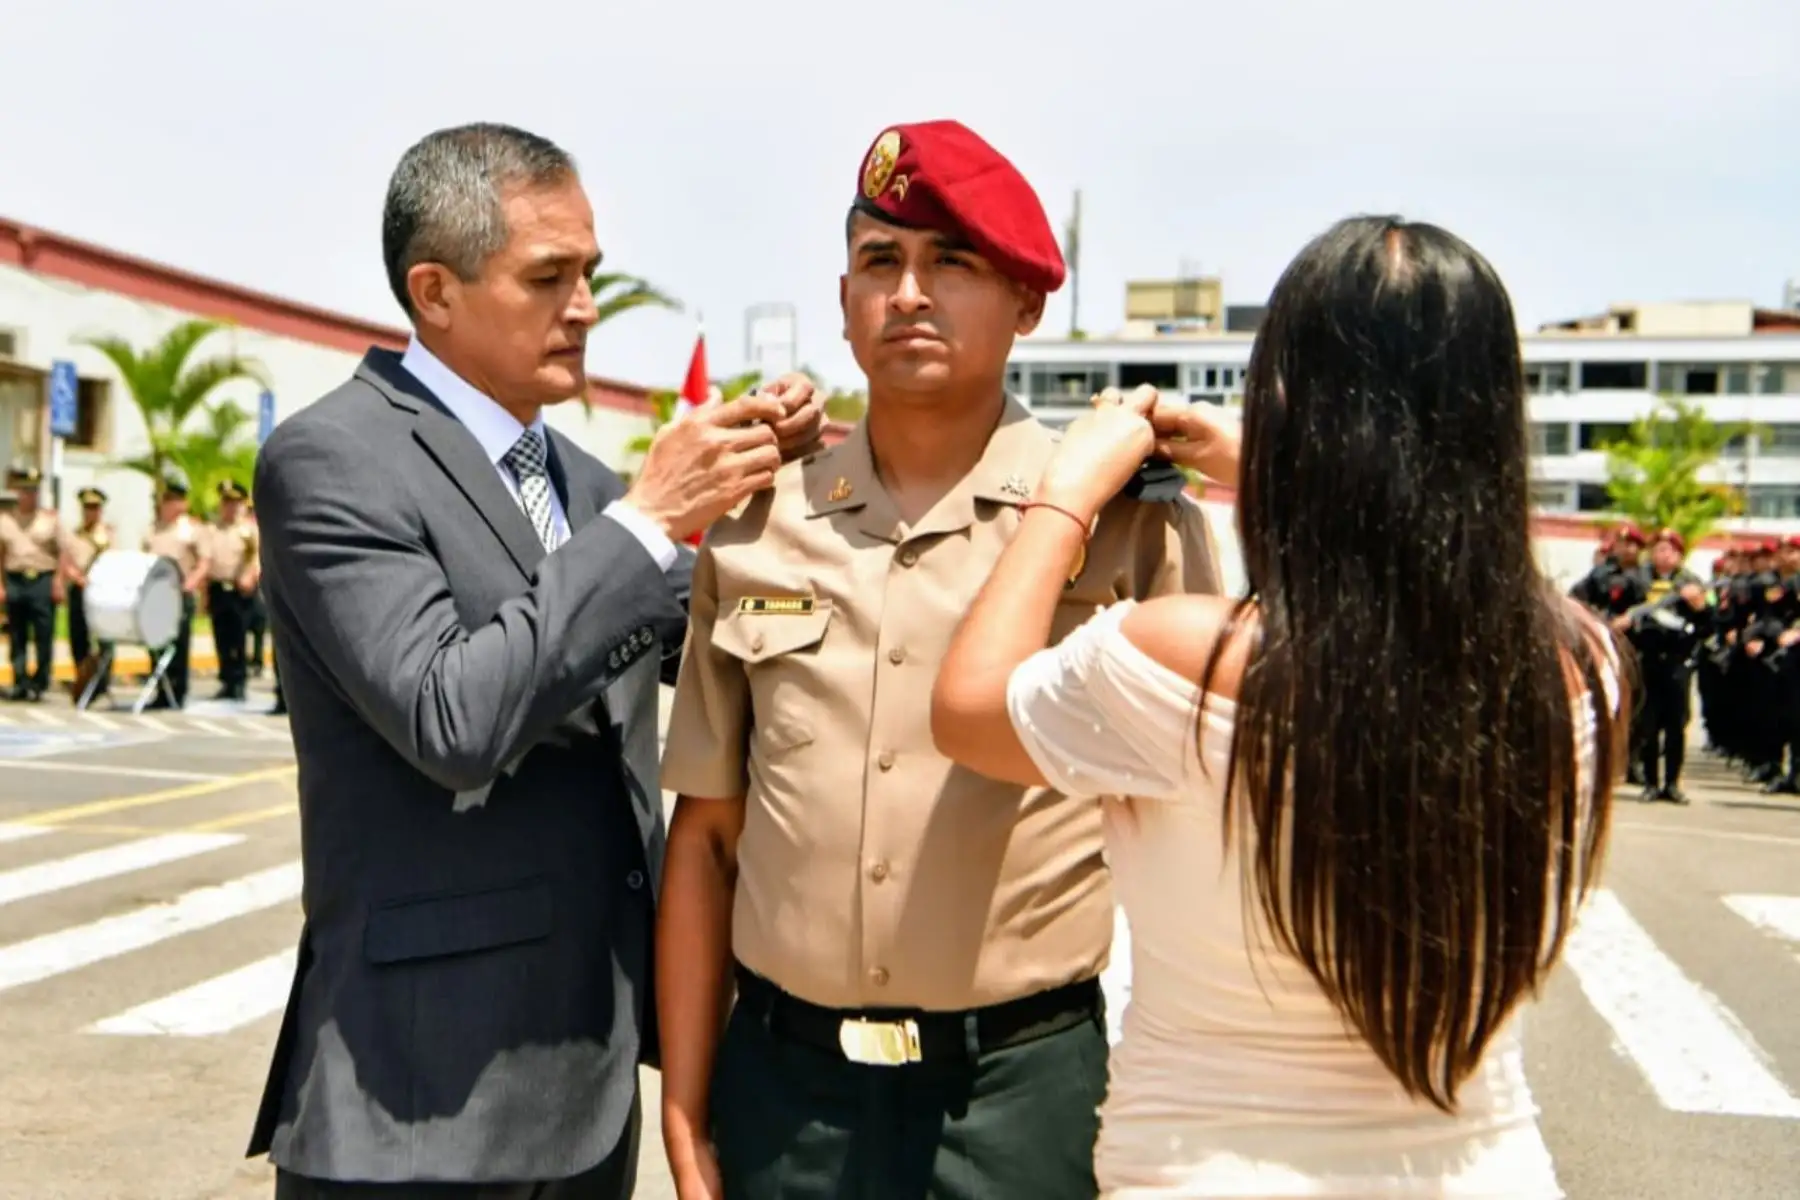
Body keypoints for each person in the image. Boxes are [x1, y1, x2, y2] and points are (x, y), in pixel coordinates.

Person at [930, 215, 1625, 1198]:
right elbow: (1425, 563)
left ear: (1286, 405)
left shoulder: (1179, 659)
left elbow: (967, 708)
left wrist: (1064, 498)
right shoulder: (1585, 666)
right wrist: (1279, 459)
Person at [244, 122, 824, 1199]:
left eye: (590, 273)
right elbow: (449, 717)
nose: (586, 306)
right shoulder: (333, 460)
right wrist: (648, 524)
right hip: (420, 1096)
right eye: (548, 277)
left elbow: (730, 665)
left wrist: (786, 493)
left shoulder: (589, 487)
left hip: (588, 1085)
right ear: (435, 291)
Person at [655, 119, 1222, 1200]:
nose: (908, 293)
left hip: (1019, 1097)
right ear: (844, 301)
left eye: (951, 262)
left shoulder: (1125, 523)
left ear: (1028, 302)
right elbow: (708, 837)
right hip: (787, 1097)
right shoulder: (760, 526)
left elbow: (1206, 832)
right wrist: (685, 1117)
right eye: (882, 261)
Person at [0, 465, 67, 701]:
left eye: (33, 491)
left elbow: (62, 553)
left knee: (43, 633)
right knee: (17, 633)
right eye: (25, 491)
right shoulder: (6, 520)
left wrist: (58, 581)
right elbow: (1, 553)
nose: (29, 495)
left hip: (41, 579)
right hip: (15, 579)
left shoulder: (50, 520)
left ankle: (40, 682)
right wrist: (1, 585)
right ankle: (20, 681)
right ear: (18, 493)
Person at [142, 473, 209, 708]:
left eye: (178, 500)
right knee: (156, 642)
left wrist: (192, 582)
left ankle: (178, 691)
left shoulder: (191, 529)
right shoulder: (153, 529)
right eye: (169, 500)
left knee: (179, 644)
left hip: (180, 592)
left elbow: (204, 562)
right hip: (155, 593)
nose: (173, 505)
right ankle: (161, 690)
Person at [204, 478, 260, 700]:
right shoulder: (213, 529)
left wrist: (250, 576)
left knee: (239, 637)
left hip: (240, 590)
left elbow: (258, 557)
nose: (230, 507)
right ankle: (226, 680)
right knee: (221, 637)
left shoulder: (249, 530)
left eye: (235, 503)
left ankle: (239, 681)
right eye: (226, 502)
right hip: (218, 588)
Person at [62, 486, 116, 698]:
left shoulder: (108, 534)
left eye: (95, 507)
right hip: (79, 589)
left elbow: (113, 561)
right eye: (87, 507)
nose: (91, 512)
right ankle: (83, 678)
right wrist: (77, 577)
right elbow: (66, 562)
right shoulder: (74, 535)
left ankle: (103, 680)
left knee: (104, 638)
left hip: (102, 590)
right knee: (78, 636)